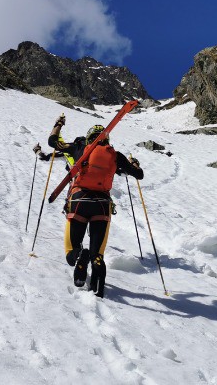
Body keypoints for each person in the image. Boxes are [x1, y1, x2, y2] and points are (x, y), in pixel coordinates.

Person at [46, 115, 143, 298]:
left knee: (70, 249)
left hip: (78, 201)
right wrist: (134, 163)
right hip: (102, 205)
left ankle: (79, 255)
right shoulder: (115, 155)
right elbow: (139, 175)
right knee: (97, 251)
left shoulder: (79, 148)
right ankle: (96, 262)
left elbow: (52, 142)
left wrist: (58, 123)